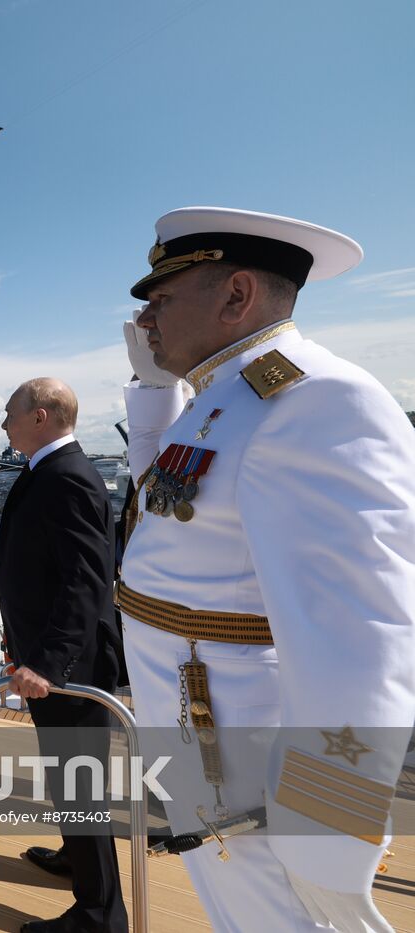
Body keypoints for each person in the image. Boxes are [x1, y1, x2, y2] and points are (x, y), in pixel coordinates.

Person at [120, 207, 415, 932]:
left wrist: (328, 836)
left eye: (159, 300)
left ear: (235, 294)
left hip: (256, 786)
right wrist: (154, 392)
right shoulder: (231, 396)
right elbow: (168, 505)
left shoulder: (316, 398)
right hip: (205, 758)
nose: (146, 320)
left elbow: (359, 637)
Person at [0, 377, 126, 933]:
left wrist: (47, 661)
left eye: (10, 414)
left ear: (41, 416)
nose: (3, 423)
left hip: (71, 668)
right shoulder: (48, 471)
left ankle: (99, 916)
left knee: (80, 782)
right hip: (52, 654)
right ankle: (79, 860)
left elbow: (86, 580)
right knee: (69, 777)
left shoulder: (67, 477)